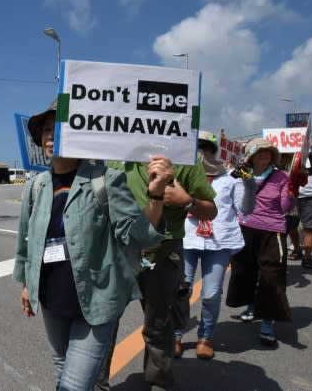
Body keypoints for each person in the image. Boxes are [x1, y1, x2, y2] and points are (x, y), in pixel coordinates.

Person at [14, 100, 172, 391]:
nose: (50, 135)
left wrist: (156, 195)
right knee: (61, 368)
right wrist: (27, 283)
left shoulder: (106, 180)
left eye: (58, 127)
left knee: (74, 385)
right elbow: (26, 241)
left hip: (97, 300)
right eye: (46, 130)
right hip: (51, 297)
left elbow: (140, 236)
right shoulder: (35, 186)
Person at [97, 141, 218, 391]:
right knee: (104, 320)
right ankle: (96, 383)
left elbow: (211, 211)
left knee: (158, 324)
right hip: (118, 249)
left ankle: (158, 380)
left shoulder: (186, 158)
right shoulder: (115, 153)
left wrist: (187, 202)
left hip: (163, 253)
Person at [174, 131, 255, 360]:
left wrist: (249, 185)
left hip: (219, 242)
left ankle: (205, 337)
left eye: (208, 148)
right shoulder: (182, 172)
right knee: (182, 290)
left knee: (211, 294)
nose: (203, 152)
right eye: (198, 147)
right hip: (187, 238)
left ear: (215, 152)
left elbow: (246, 210)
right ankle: (176, 335)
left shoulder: (231, 178)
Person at [225, 138, 295, 346]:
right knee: (243, 272)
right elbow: (227, 197)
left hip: (272, 232)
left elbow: (285, 206)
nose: (264, 155)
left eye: (268, 152)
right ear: (251, 155)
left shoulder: (283, 176)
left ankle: (267, 322)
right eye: (260, 152)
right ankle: (251, 306)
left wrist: (292, 192)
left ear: (273, 156)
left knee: (271, 277)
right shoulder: (241, 172)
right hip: (244, 228)